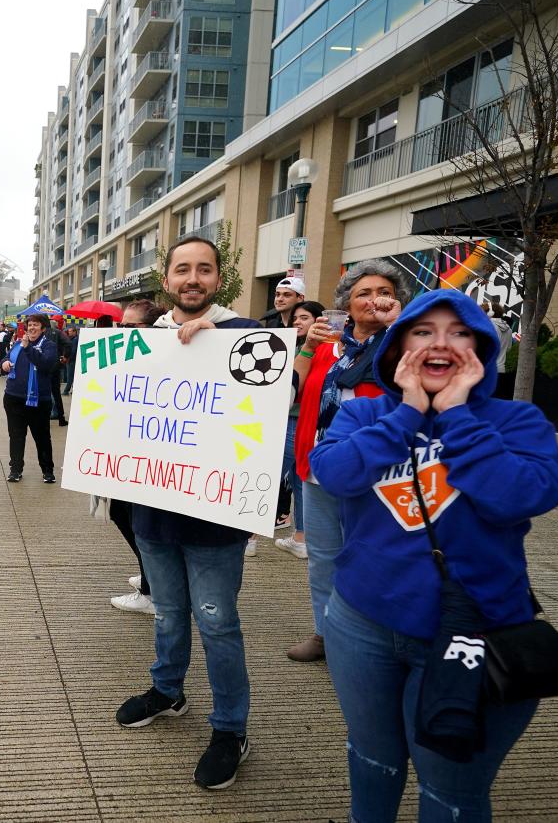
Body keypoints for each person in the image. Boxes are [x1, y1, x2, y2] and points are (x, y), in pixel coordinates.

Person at [309, 289, 558, 822]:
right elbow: (331, 473)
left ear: (481, 348)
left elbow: (519, 497)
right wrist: (406, 415)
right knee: (372, 758)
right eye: (423, 331)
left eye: (458, 332)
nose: (439, 344)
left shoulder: (517, 422)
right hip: (362, 625)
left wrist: (455, 415)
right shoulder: (367, 414)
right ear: (399, 346)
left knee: (451, 789)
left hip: (476, 630)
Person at [115, 234, 261, 791]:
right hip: (154, 510)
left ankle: (231, 729)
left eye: (204, 269)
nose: (192, 279)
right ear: (167, 277)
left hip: (215, 519)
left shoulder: (246, 334)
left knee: (219, 624)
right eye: (182, 269)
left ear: (217, 277)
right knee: (169, 613)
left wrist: (217, 345)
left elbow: (279, 394)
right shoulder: (141, 341)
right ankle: (168, 689)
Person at [288, 259, 410, 663]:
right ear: (346, 304)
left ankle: (376, 638)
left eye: (385, 293)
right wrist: (307, 345)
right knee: (323, 558)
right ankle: (327, 634)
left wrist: (400, 326)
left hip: (378, 473)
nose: (375, 300)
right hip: (320, 469)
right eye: (364, 293)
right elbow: (292, 388)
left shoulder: (403, 345)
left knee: (376, 555)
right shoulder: (328, 346)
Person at [107, 299, 167, 615]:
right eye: (122, 326)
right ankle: (150, 576)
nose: (123, 332)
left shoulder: (165, 359)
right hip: (129, 452)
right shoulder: (128, 356)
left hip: (152, 459)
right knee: (121, 513)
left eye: (131, 327)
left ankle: (152, 590)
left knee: (137, 521)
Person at [274, 300, 325, 560]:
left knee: (270, 477)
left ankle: (246, 538)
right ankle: (301, 538)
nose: (297, 322)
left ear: (320, 320)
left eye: (304, 318)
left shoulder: (317, 351)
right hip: (303, 424)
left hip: (297, 422)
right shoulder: (295, 347)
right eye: (295, 318)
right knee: (298, 481)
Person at [1, 313, 58, 482]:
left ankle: (47, 470)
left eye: (36, 325)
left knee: (42, 437)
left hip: (39, 401)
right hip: (14, 398)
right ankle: (15, 469)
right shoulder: (18, 344)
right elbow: (7, 357)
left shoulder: (49, 346)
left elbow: (46, 364)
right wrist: (4, 363)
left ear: (43, 328)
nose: (32, 328)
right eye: (30, 325)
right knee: (16, 436)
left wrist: (28, 348)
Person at [48, 321, 70, 426]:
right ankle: (61, 418)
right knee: (56, 393)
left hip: (42, 367)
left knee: (43, 393)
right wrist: (65, 356)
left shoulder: (39, 334)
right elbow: (68, 343)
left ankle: (45, 416)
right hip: (55, 366)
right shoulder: (58, 333)